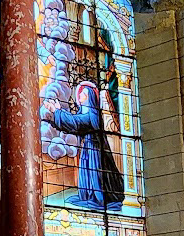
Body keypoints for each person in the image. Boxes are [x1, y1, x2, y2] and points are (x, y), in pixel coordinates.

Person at [42, 80, 124, 211]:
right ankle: (89, 195)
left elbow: (77, 123)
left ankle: (98, 197)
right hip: (87, 148)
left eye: (83, 94)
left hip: (96, 150)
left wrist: (58, 112)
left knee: (96, 174)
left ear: (90, 96)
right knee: (88, 172)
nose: (79, 97)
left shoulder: (93, 115)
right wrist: (55, 116)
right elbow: (72, 125)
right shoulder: (83, 113)